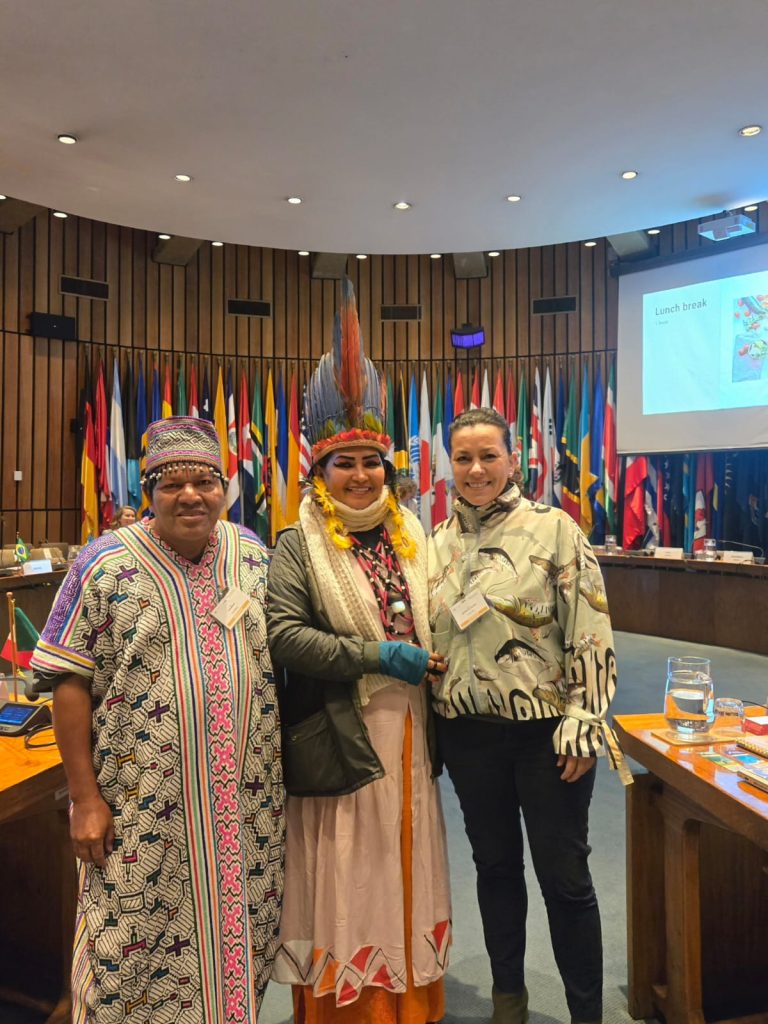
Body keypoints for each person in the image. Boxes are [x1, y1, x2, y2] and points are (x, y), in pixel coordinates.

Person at [30, 416, 284, 1024]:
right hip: (142, 808)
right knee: (126, 955)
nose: (190, 495)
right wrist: (84, 799)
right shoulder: (102, 563)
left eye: (205, 482)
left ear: (224, 489)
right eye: (172, 484)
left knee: (242, 944)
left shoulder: (252, 555)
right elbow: (68, 681)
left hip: (245, 807)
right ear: (149, 492)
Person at [266, 278, 451, 1024]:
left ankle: (409, 1003)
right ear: (319, 474)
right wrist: (380, 656)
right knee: (353, 873)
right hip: (344, 736)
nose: (361, 476)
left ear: (389, 469)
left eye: (372, 462)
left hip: (413, 734)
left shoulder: (416, 537)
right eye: (344, 464)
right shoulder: (296, 544)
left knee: (407, 862)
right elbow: (286, 636)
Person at [428, 407, 621, 1024]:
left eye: (489, 455)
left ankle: (586, 1014)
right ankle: (508, 998)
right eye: (463, 457)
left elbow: (589, 628)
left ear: (513, 460)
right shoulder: (434, 543)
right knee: (495, 870)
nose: (476, 469)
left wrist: (585, 719)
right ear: (450, 465)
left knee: (565, 881)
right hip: (468, 738)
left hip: (548, 738)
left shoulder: (554, 529)